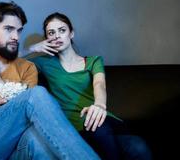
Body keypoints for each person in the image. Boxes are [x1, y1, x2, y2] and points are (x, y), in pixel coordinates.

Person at [0, 2, 100, 160]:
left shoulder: (28, 68)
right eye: (9, 29)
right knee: (35, 94)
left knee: (40, 144)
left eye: (19, 30)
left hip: (15, 145)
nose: (16, 37)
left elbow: (29, 114)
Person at [26, 12, 152, 160]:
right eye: (51, 33)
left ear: (71, 33)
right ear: (47, 39)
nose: (57, 36)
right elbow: (7, 62)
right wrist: (32, 49)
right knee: (137, 146)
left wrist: (99, 105)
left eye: (62, 30)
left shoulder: (93, 61)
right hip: (74, 128)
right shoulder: (44, 63)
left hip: (101, 118)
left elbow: (99, 84)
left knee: (137, 145)